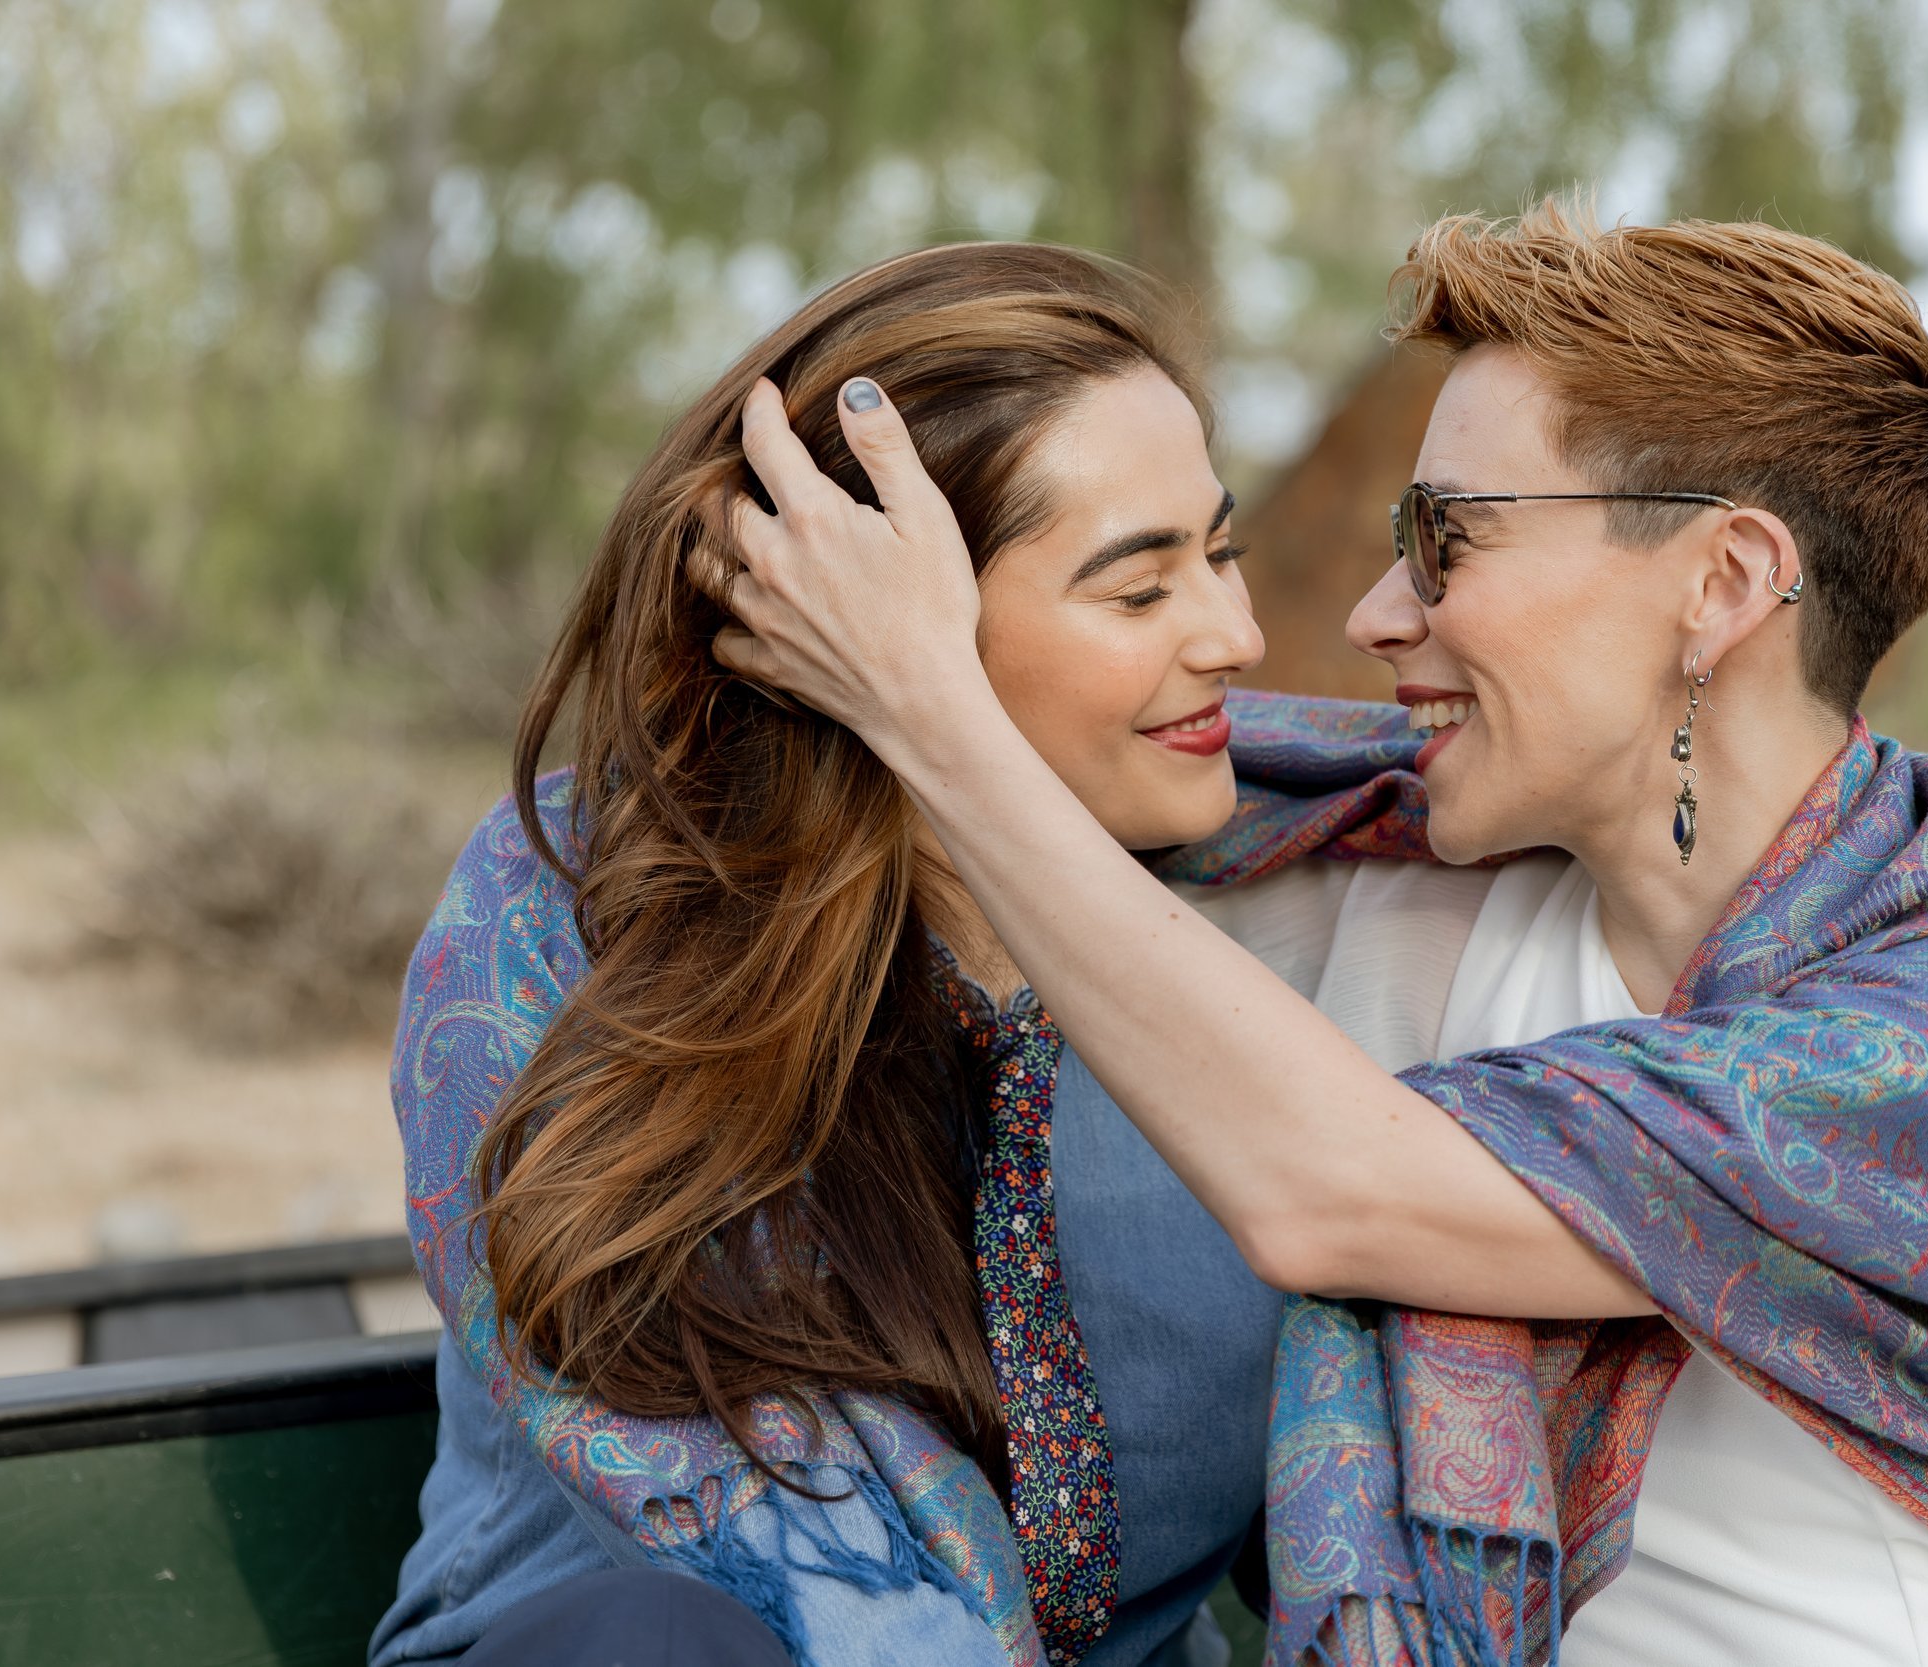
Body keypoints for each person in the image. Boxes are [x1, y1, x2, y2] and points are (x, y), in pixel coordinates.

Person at [713, 200, 1928, 1666]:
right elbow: (982, 846)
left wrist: (925, 710)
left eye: (1446, 541)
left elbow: (1332, 1188)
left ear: (1723, 584)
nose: (1370, 612)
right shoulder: (1392, 888)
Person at [372, 242, 1287, 1667]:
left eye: (1221, 552)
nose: (1239, 633)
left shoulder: (1283, 924)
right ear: (870, 624)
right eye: (1139, 589)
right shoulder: (576, 909)